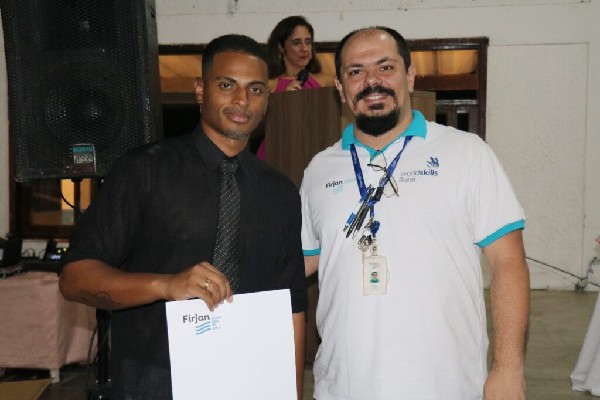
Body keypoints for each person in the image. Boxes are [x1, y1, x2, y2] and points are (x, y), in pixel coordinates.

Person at [60, 34, 307, 400]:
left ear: (267, 99)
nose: (242, 100)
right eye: (227, 85)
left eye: (255, 89)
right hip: (155, 378)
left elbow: (292, 306)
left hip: (251, 376)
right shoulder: (144, 170)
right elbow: (74, 278)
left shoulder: (281, 192)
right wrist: (166, 285)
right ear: (200, 90)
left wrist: (292, 391)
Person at [301, 26, 530, 400]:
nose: (371, 81)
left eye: (385, 67)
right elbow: (299, 262)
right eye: (356, 71)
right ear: (340, 88)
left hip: (446, 386)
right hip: (343, 386)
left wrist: (508, 369)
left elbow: (508, 262)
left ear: (409, 76)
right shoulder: (319, 170)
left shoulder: (466, 153)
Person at [255, 15, 334, 160]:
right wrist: (282, 102)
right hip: (276, 154)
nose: (304, 49)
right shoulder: (268, 85)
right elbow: (255, 126)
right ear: (281, 47)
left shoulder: (327, 83)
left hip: (314, 153)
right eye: (297, 43)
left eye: (308, 42)